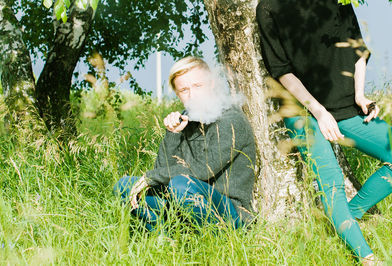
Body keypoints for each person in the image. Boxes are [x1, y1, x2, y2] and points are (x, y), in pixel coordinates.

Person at [256, 0, 391, 264]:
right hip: (302, 110)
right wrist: (318, 111)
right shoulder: (269, 8)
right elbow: (282, 70)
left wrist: (360, 95)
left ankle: (349, 216)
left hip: (346, 104)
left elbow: (358, 50)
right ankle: (367, 258)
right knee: (331, 181)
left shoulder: (339, 0)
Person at [113, 56, 256, 231]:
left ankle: (210, 241)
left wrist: (150, 177)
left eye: (198, 86)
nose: (193, 95)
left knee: (181, 184)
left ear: (211, 84)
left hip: (229, 211)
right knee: (125, 185)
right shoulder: (186, 119)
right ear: (177, 94)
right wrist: (173, 133)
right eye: (184, 90)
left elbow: (202, 170)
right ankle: (164, 238)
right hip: (181, 200)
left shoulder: (230, 119)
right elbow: (163, 169)